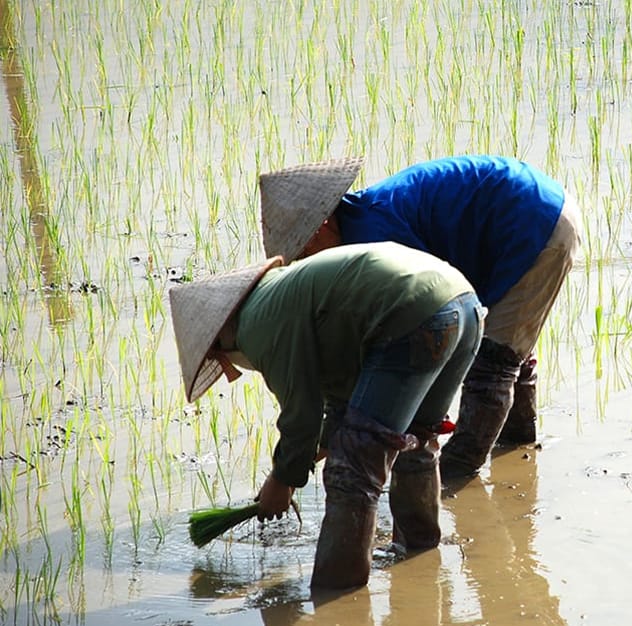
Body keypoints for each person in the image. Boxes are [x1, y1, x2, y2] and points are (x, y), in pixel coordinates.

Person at [169, 242, 484, 589]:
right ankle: (420, 556)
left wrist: (283, 479)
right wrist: (308, 456)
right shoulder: (283, 293)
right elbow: (344, 403)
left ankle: (337, 593)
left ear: (216, 343)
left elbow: (300, 414)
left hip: (411, 315)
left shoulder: (257, 327)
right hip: (463, 305)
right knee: (416, 441)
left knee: (353, 470)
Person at [257, 155, 580, 487]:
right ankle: (518, 447)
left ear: (322, 225)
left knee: (493, 365)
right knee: (508, 347)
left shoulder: (373, 239)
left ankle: (458, 482)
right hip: (536, 209)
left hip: (533, 224)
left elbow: (423, 325)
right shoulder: (363, 219)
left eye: (304, 249)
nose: (308, 260)